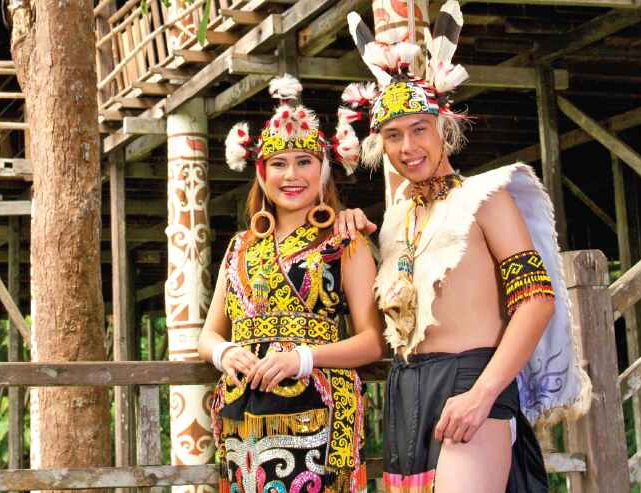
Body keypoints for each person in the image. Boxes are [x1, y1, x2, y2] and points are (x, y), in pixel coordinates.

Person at [332, 3, 592, 492]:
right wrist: (356, 234)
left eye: (419, 130)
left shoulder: (486, 197)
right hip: (408, 388)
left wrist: (482, 393)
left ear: (443, 128)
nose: (408, 146)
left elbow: (536, 301)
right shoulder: (396, 219)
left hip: (472, 379)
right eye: (393, 135)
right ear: (379, 145)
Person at [196, 74, 386, 493]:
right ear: (261, 174)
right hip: (243, 415)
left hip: (318, 411)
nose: (291, 175)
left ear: (324, 169)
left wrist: (303, 359)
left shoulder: (344, 239)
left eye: (305, 162)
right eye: (278, 164)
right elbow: (208, 334)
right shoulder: (240, 245)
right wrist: (225, 352)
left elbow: (373, 342)